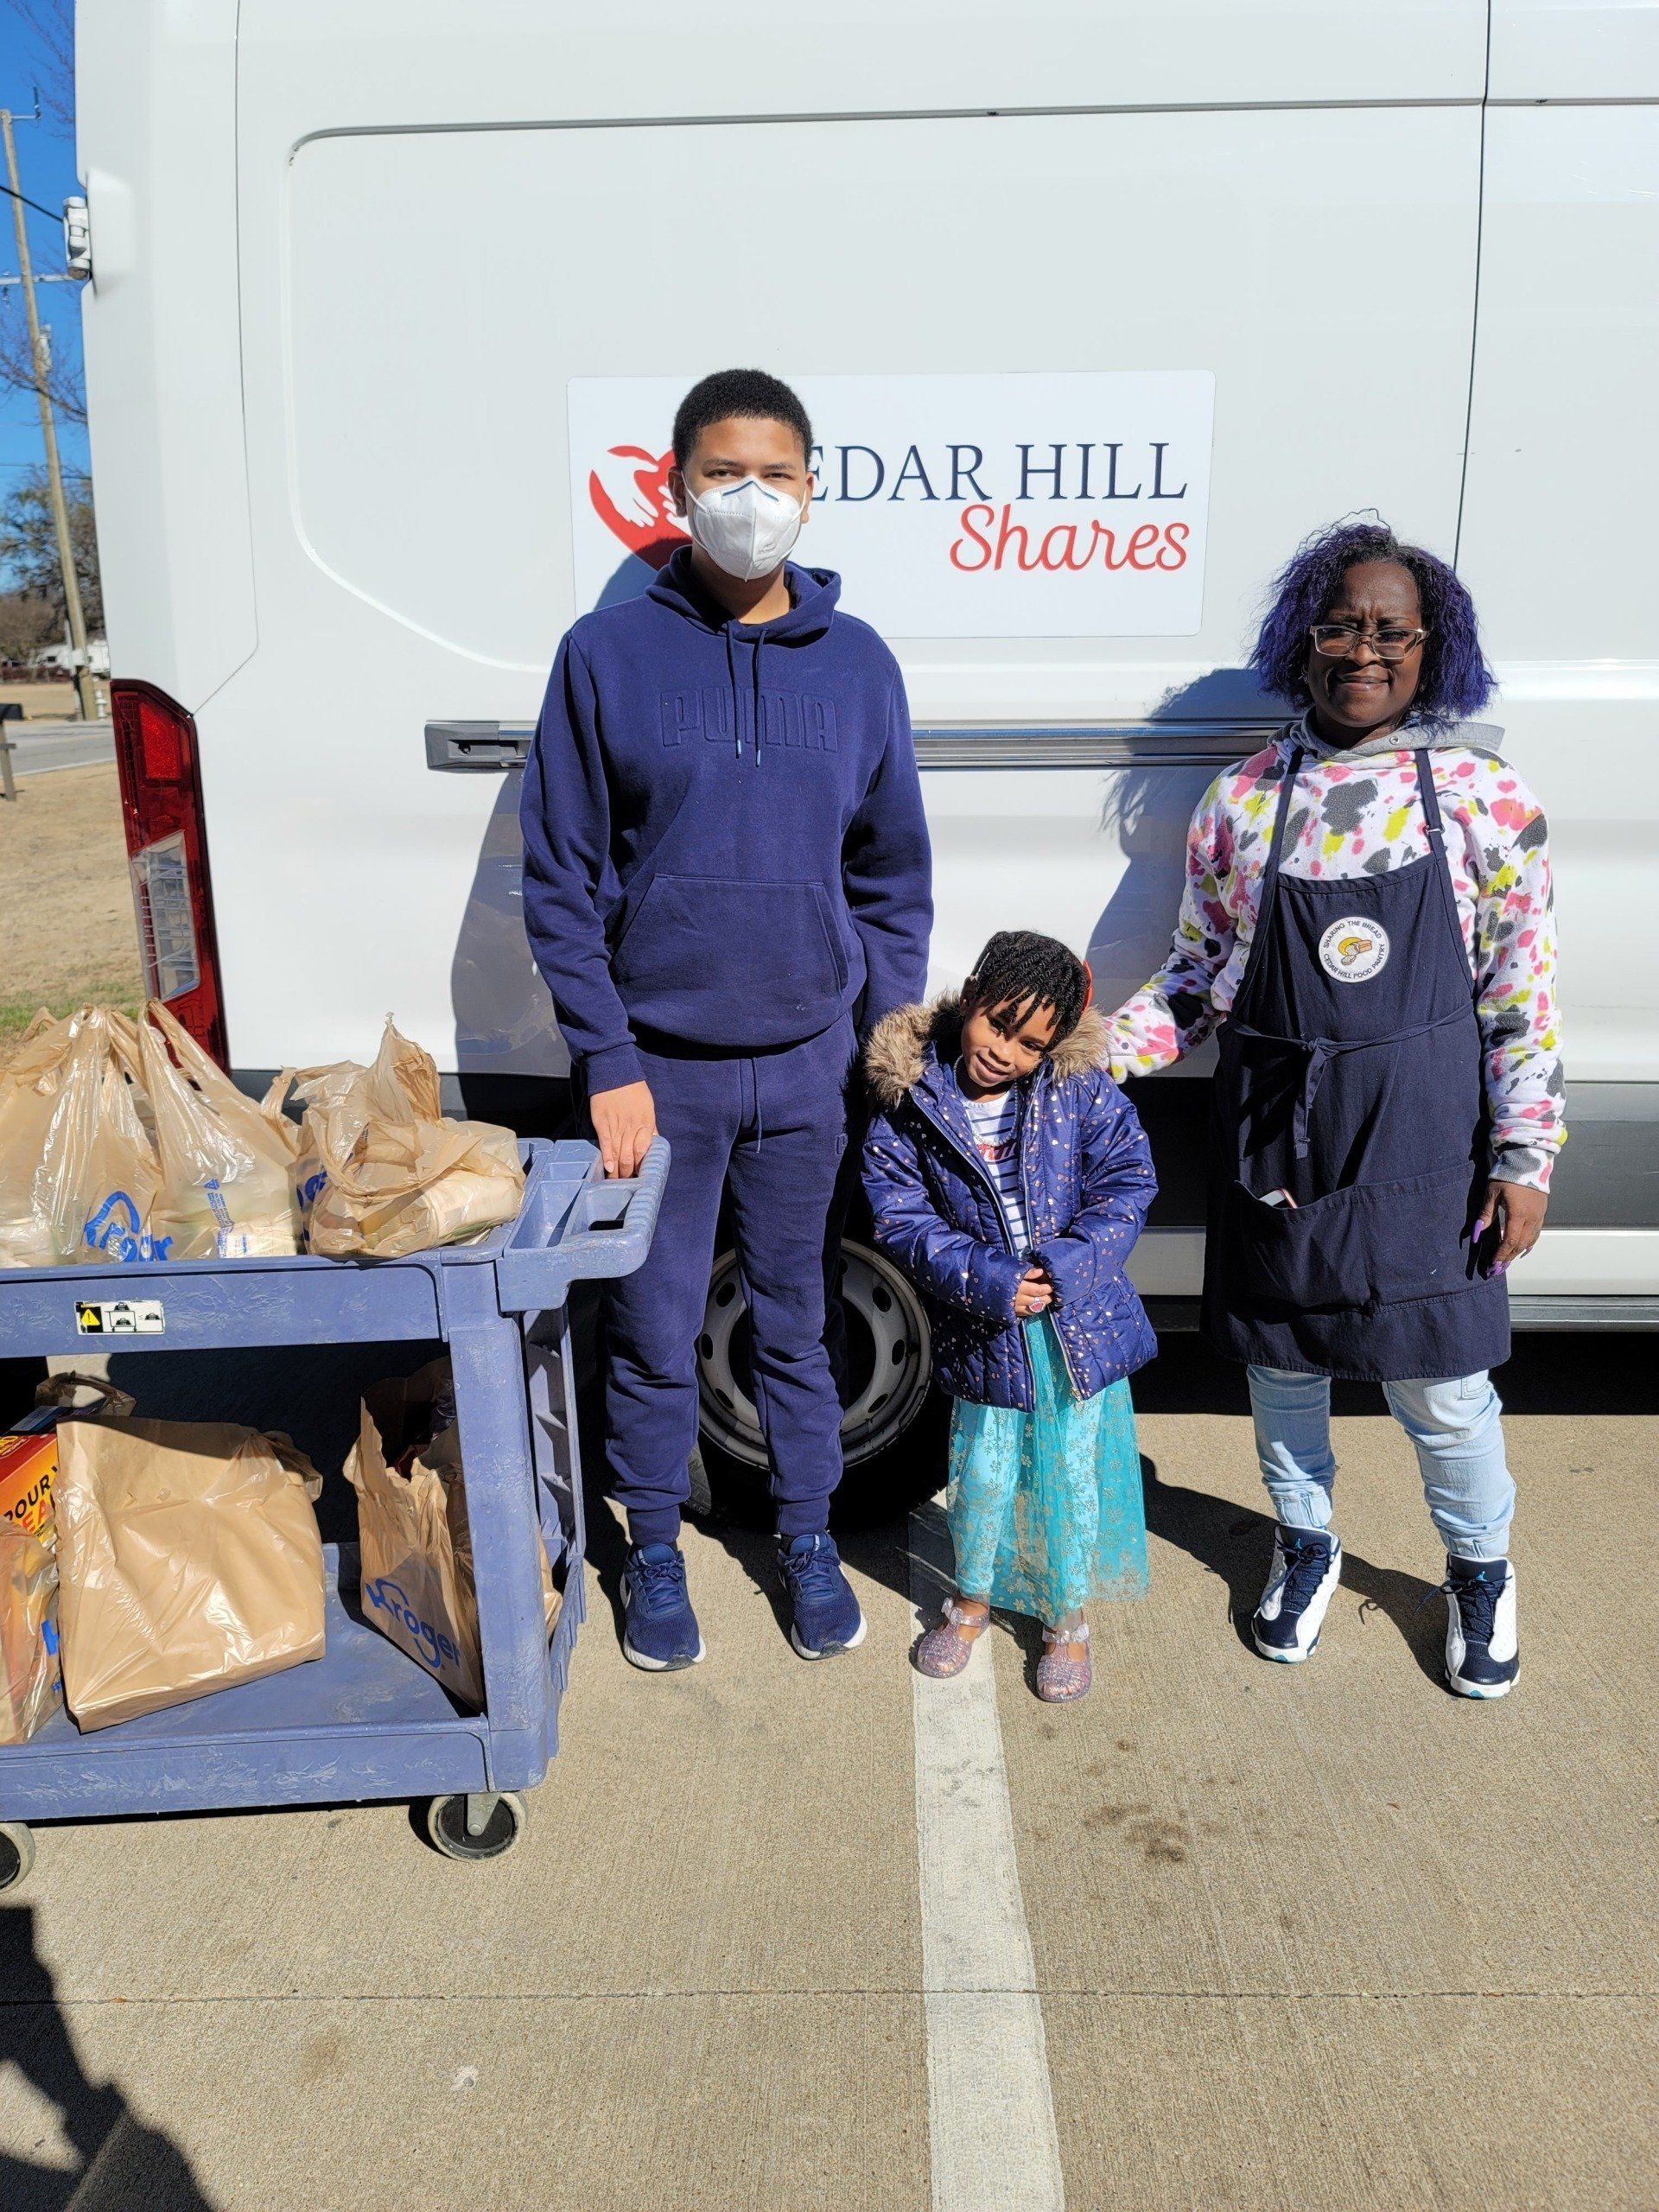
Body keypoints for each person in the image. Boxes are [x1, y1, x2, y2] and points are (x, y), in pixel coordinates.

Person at [1104, 518, 1564, 1699]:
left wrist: (1526, 1156)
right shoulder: (1246, 799)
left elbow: (1521, 990)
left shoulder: (1480, 796)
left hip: (1429, 1138)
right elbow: (1202, 978)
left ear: (1432, 648)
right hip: (1279, 1126)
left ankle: (1479, 1570)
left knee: (1444, 1387)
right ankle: (1306, 1546)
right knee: (1285, 1374)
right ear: (1300, 639)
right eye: (1342, 625)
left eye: (1392, 630)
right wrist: (1088, 1056)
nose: (1365, 651)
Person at [520, 368, 932, 1672]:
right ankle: (650, 1550)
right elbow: (562, 879)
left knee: (796, 1322)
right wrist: (609, 1059)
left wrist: (882, 1041)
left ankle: (806, 1535)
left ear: (813, 491)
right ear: (677, 486)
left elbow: (890, 872)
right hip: (663, 1081)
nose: (751, 500)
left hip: (811, 1069)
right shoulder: (606, 656)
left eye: (777, 476)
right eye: (723, 475)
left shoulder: (860, 667)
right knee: (648, 1336)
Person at [862, 931, 1157, 1703]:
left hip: (1076, 1324)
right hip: (988, 1324)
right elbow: (901, 1219)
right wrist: (993, 1280)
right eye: (998, 1025)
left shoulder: (1079, 1089)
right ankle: (971, 1602)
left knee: (1070, 1475)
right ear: (973, 995)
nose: (1007, 1052)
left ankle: (1066, 1619)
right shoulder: (914, 1105)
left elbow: (1128, 1179)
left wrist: (1069, 1264)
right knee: (984, 1474)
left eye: (1031, 1044)